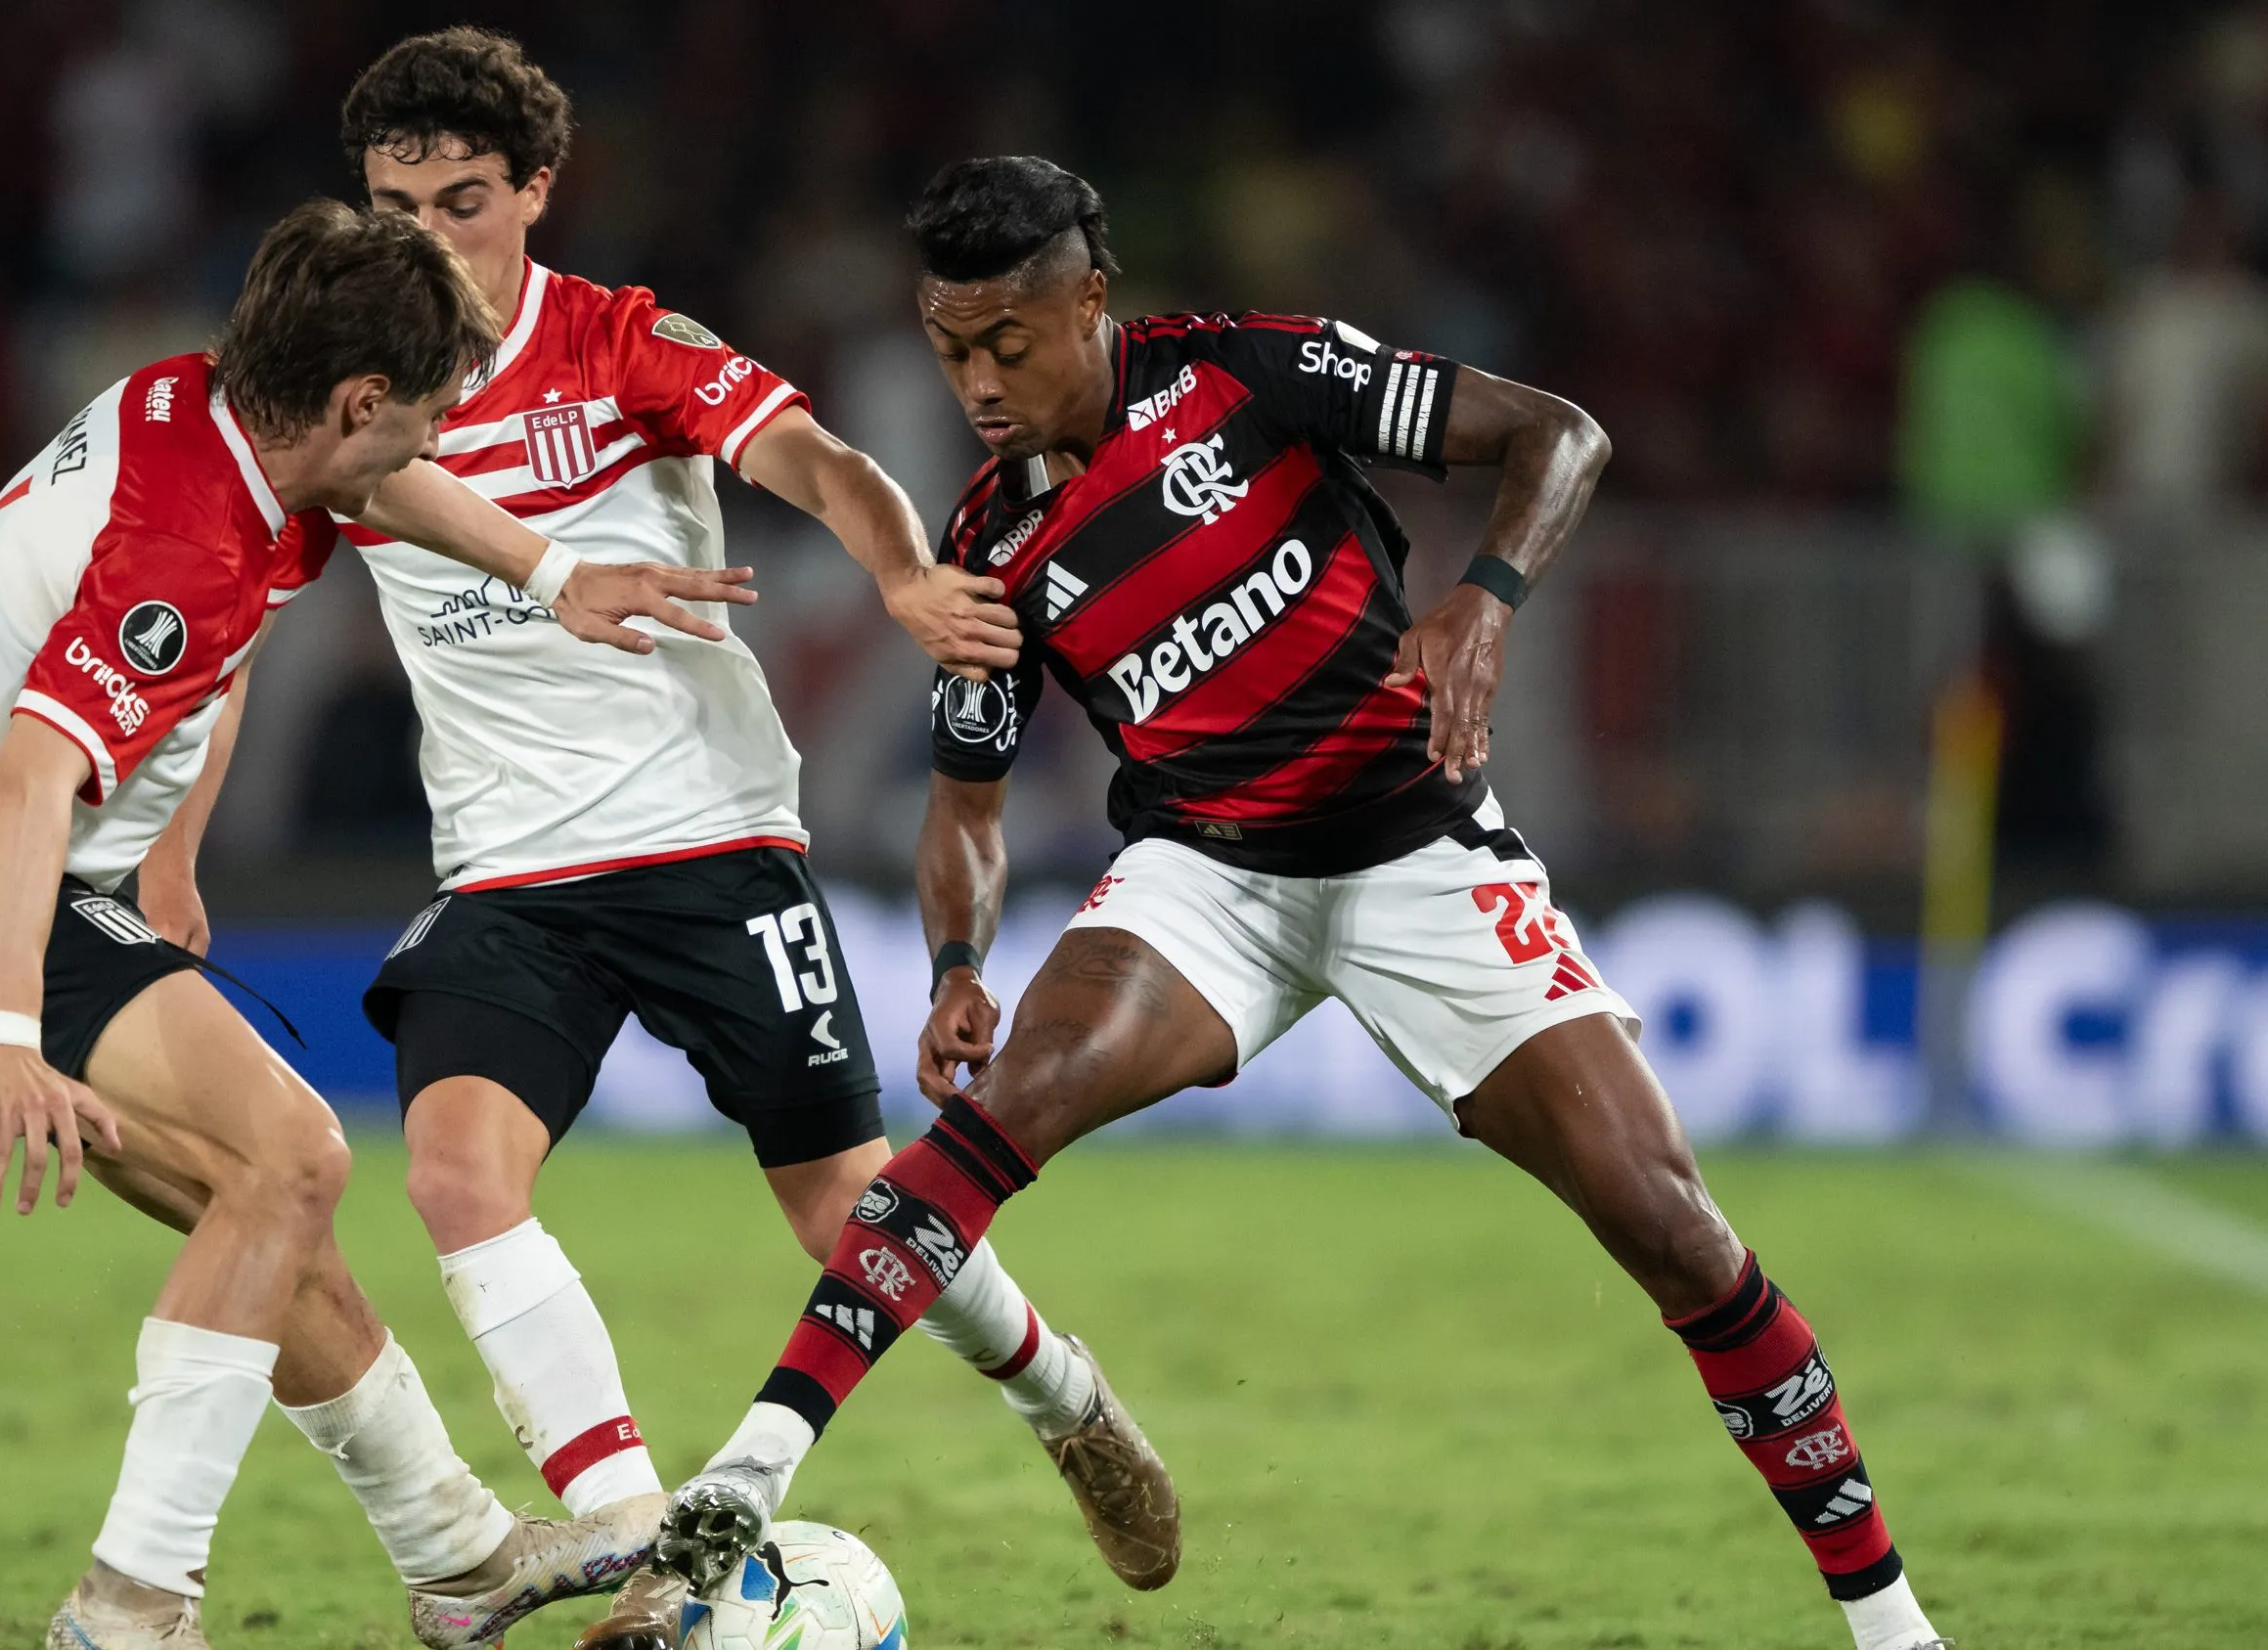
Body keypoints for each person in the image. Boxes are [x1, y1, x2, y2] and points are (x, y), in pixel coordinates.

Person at [617, 157, 1951, 1650]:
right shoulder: (989, 546)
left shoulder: (1250, 372)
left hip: (1417, 846)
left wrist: (1486, 598)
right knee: (1003, 1111)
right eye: (951, 351)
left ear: (1090, 305)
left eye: (1009, 341)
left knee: (1676, 1228)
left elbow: (1558, 435)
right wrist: (953, 959)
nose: (980, 383)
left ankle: (1895, 1629)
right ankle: (755, 1461)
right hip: (1210, 874)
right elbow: (968, 808)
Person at [332, 32, 1181, 1641]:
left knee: (847, 1206)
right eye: (393, 203)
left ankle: (1066, 1396)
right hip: (507, 872)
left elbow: (820, 458)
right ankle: (636, 1539)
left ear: (534, 194)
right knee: (456, 1172)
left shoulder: (619, 340)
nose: (426, 236)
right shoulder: (346, 382)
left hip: (708, 837)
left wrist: (900, 570)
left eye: (460, 199)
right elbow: (254, 568)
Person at [0, 199, 757, 1650]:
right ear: (358, 398)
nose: (431, 446)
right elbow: (27, 782)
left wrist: (553, 572)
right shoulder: (184, 546)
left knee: (266, 1221)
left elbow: (367, 493)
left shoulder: (213, 415)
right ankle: (132, 1601)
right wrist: (9, 1036)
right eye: (423, 416)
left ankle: (458, 1559)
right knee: (295, 1154)